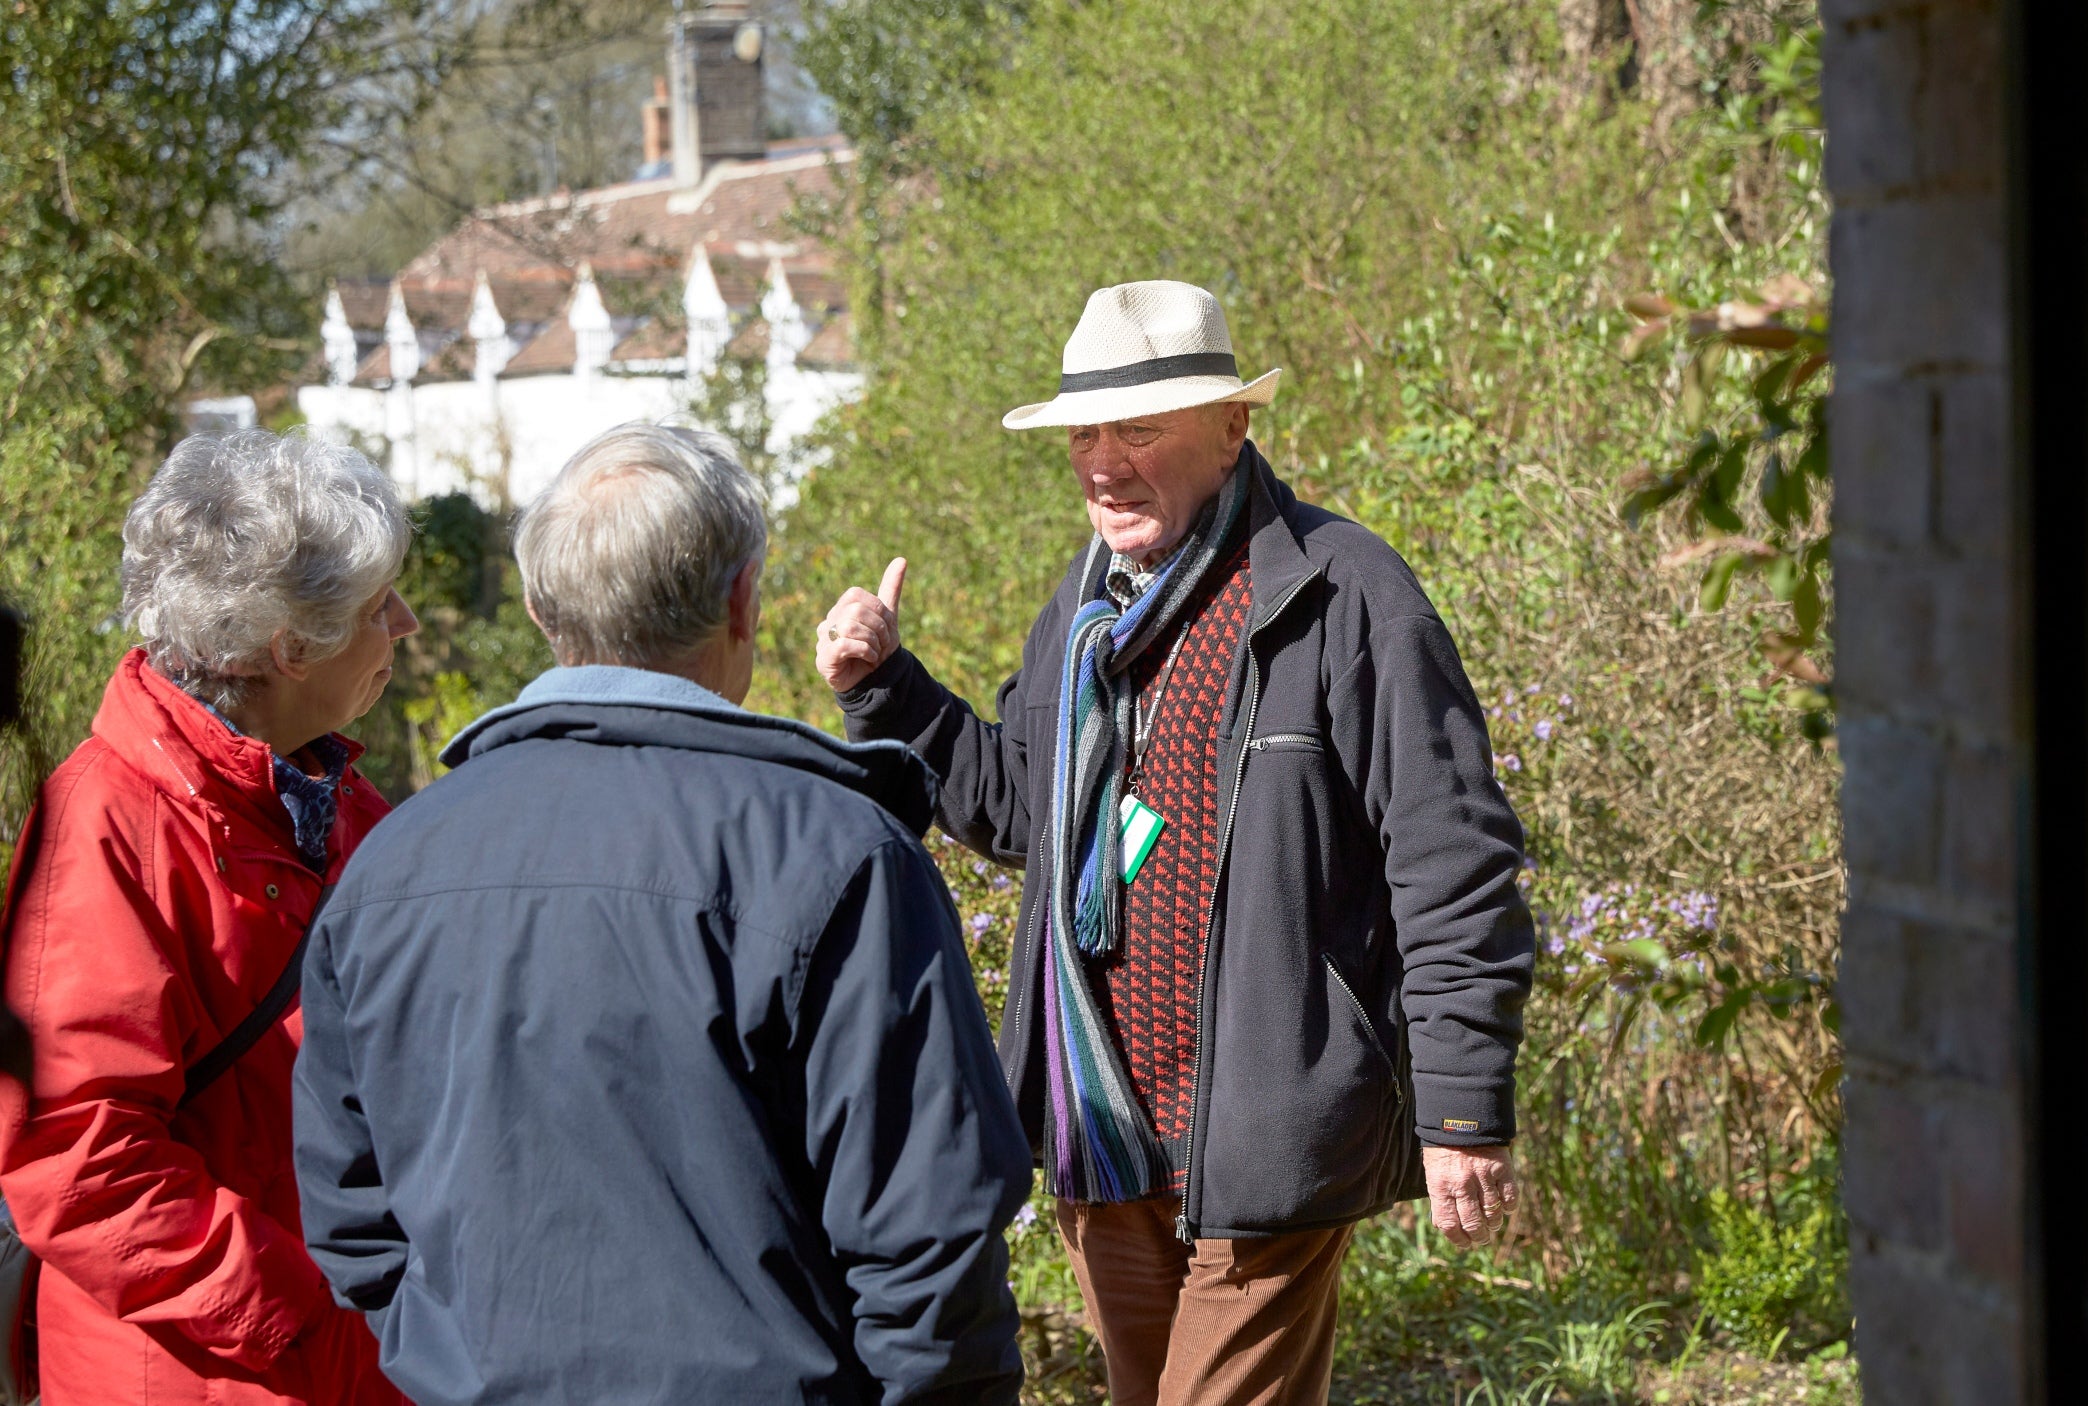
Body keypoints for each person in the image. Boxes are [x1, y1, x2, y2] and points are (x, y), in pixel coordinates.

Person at [817, 281, 1536, 1404]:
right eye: (1083, 434)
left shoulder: (1343, 592)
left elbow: (1451, 855)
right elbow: (1022, 810)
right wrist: (890, 692)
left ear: (1233, 427)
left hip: (1270, 1131)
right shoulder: (1084, 612)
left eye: (1139, 429)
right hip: (1102, 1134)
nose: (1103, 461)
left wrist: (1461, 1105)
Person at [292, 423, 1028, 1405]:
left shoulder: (389, 865)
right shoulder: (836, 855)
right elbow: (930, 1245)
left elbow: (352, 1218)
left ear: (540, 608)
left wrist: (458, 1362)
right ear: (742, 599)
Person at [0, 430, 418, 1405]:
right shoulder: (110, 821)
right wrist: (314, 1318)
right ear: (290, 646)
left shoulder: (333, 795)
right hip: (209, 1372)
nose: (402, 623)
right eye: (375, 605)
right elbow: (81, 1159)